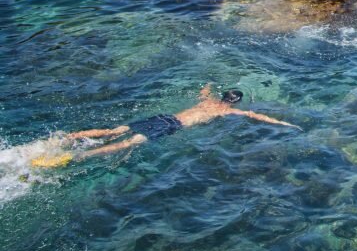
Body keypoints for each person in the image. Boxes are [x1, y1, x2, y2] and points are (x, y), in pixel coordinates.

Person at [29, 85, 298, 168]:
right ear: (233, 103)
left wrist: (208, 83)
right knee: (125, 145)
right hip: (169, 128)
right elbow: (257, 116)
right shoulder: (226, 113)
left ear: (223, 96)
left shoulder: (208, 101)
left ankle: (68, 137)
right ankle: (74, 157)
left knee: (115, 131)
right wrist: (285, 123)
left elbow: (202, 89)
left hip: (162, 117)